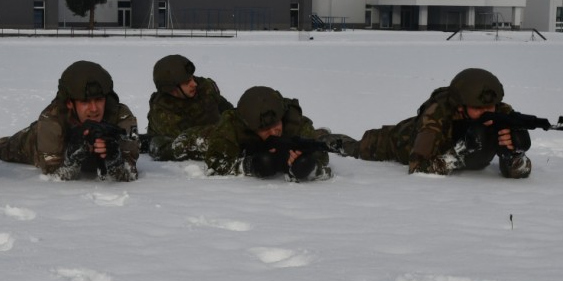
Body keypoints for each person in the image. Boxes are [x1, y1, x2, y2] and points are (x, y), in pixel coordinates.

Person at [339, 67, 531, 178]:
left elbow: (519, 170)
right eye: (478, 108)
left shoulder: (501, 113)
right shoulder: (436, 116)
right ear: (461, 106)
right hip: (395, 142)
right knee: (353, 147)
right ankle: (323, 136)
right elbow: (417, 167)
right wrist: (458, 154)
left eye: (490, 107)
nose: (486, 113)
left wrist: (514, 154)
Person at [0, 60, 139, 181]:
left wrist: (115, 161)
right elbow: (55, 176)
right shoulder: (52, 120)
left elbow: (130, 173)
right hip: (36, 143)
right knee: (0, 148)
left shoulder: (122, 117)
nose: (94, 109)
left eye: (99, 100)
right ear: (69, 103)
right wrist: (72, 158)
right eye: (85, 102)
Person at [170, 86, 333, 181]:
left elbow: (322, 158)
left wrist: (307, 166)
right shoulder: (232, 126)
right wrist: (248, 165)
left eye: (276, 123)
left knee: (318, 139)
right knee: (177, 145)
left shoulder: (296, 123)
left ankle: (322, 132)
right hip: (212, 137)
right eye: (265, 129)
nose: (274, 131)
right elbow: (216, 163)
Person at [144, 54, 233, 160]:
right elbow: (183, 145)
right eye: (187, 82)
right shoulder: (164, 113)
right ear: (172, 90)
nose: (194, 84)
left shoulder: (203, 88)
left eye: (192, 78)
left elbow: (227, 109)